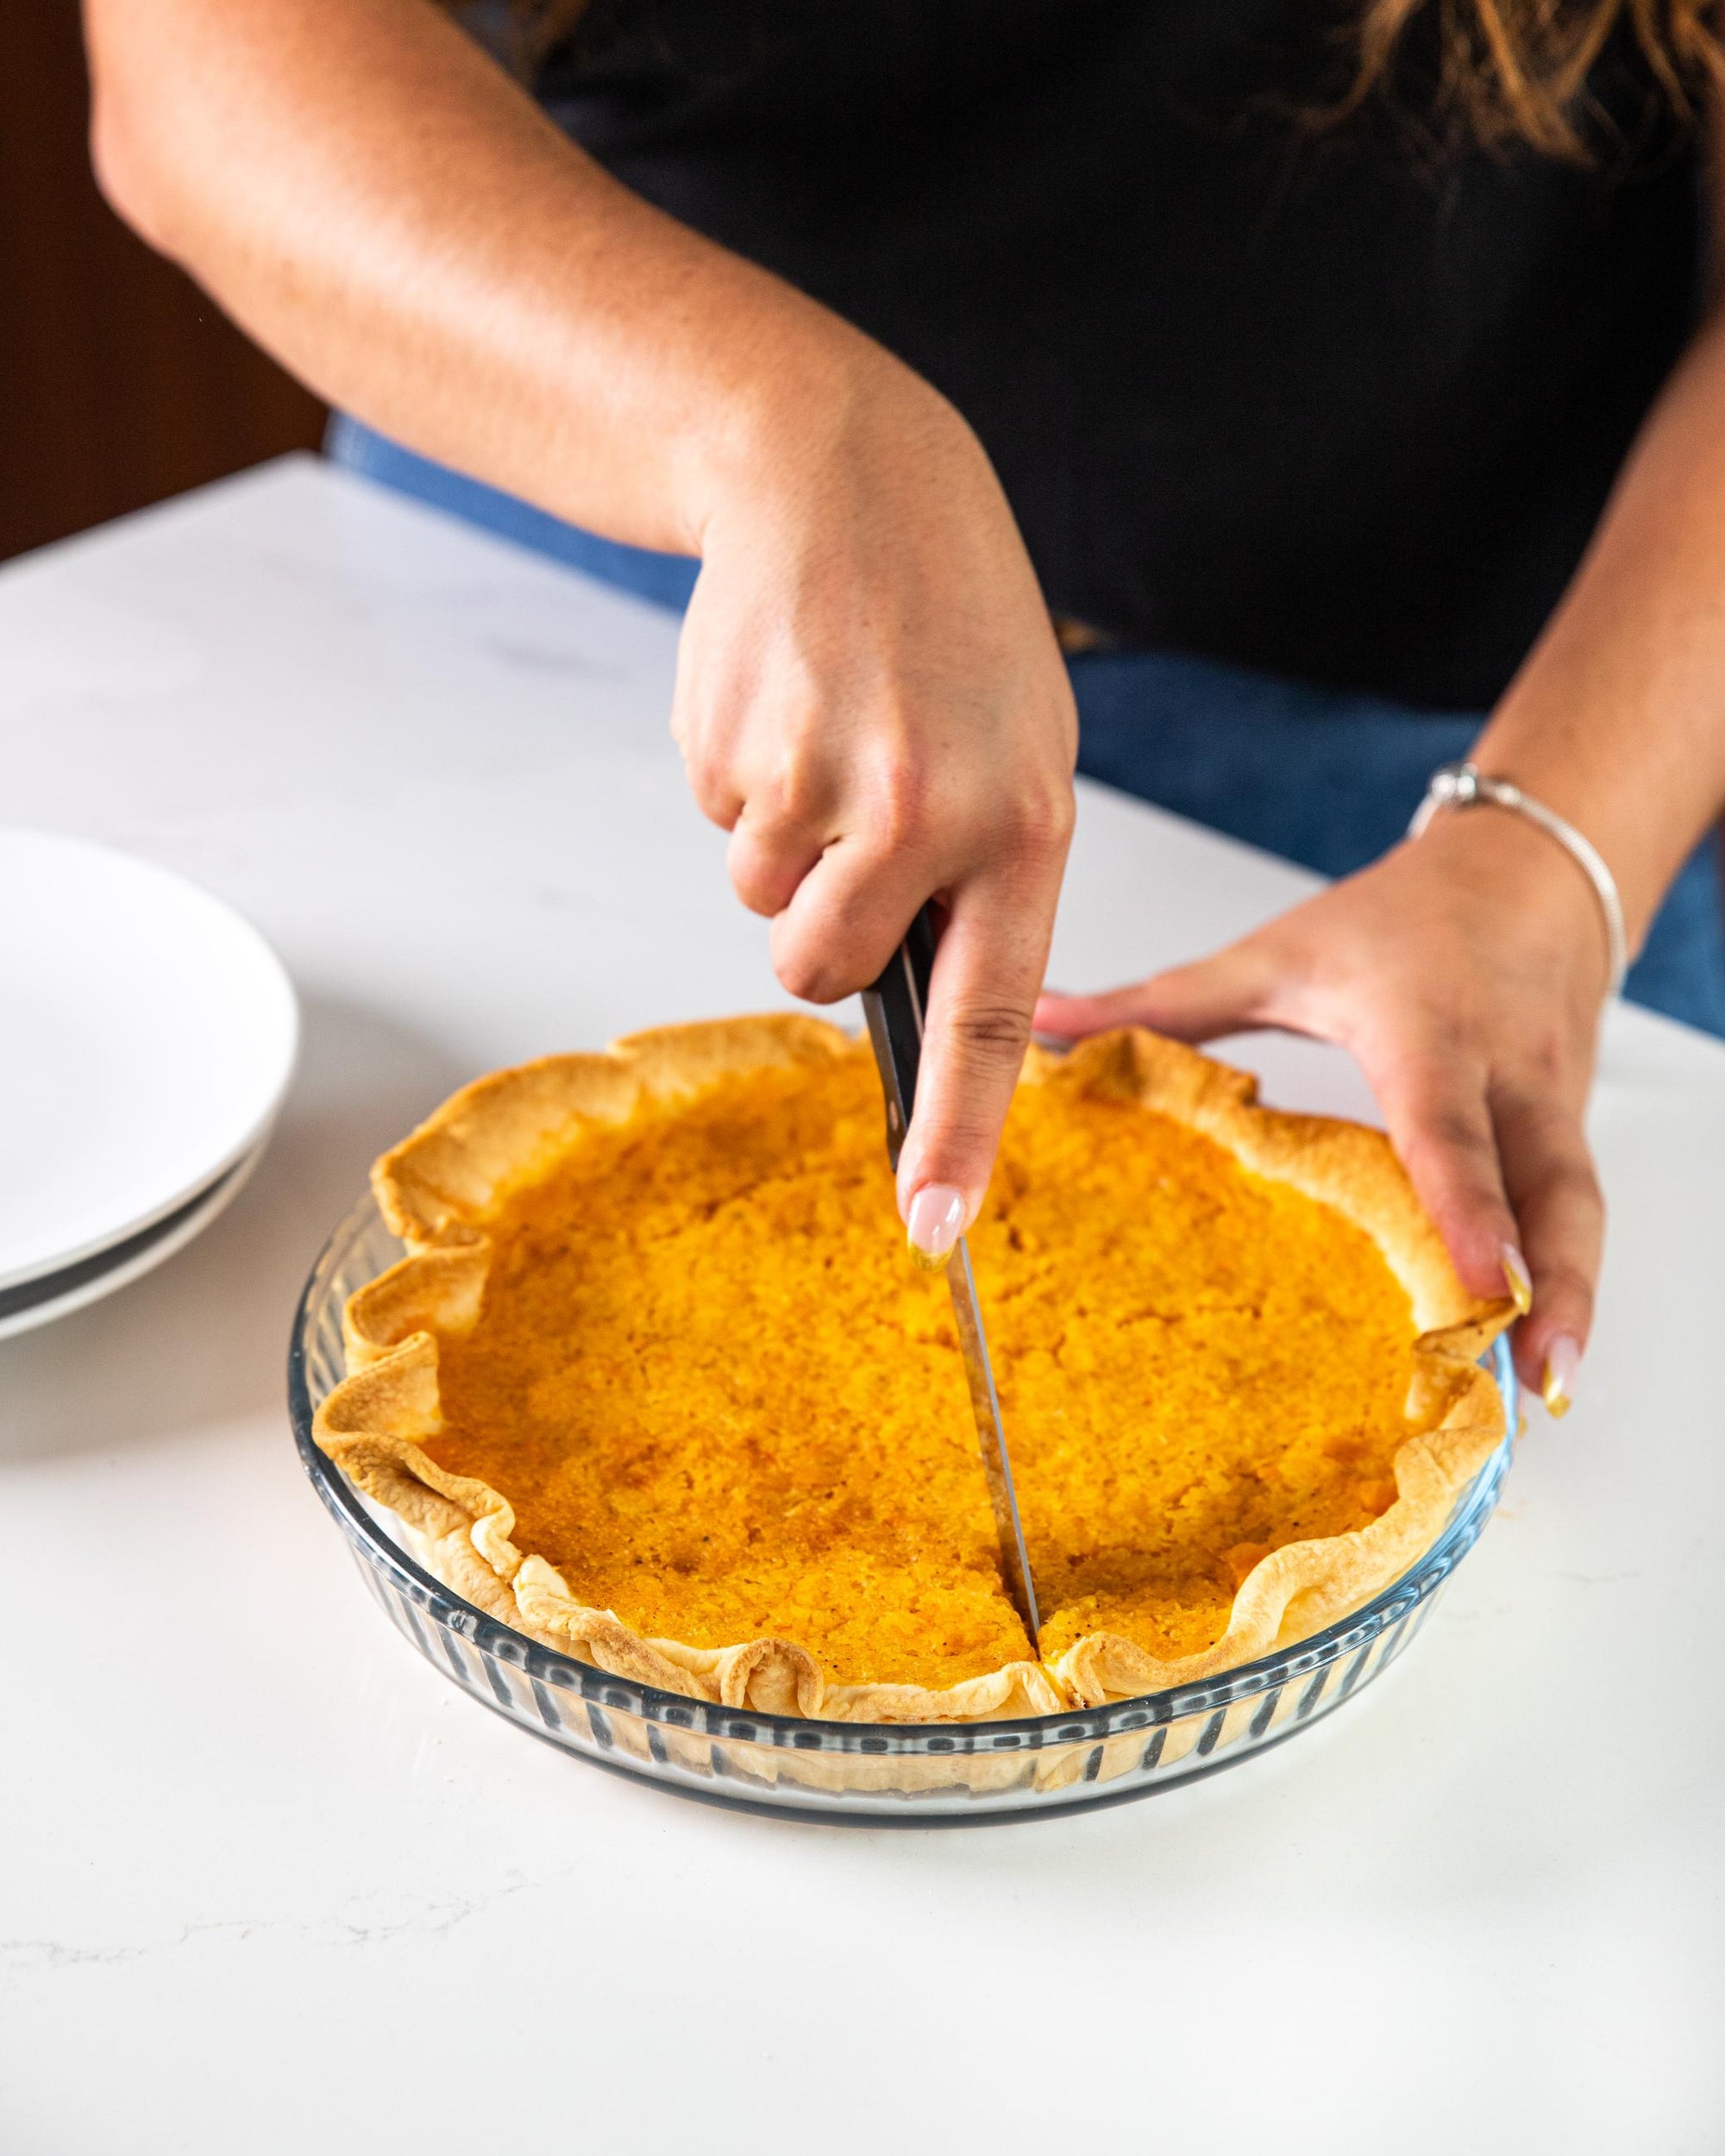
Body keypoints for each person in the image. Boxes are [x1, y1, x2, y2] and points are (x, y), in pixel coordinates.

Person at [85, 0, 1725, 1421]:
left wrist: (1556, 850)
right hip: (587, 536)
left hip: (1537, 701)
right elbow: (192, 62)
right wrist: (756, 422)